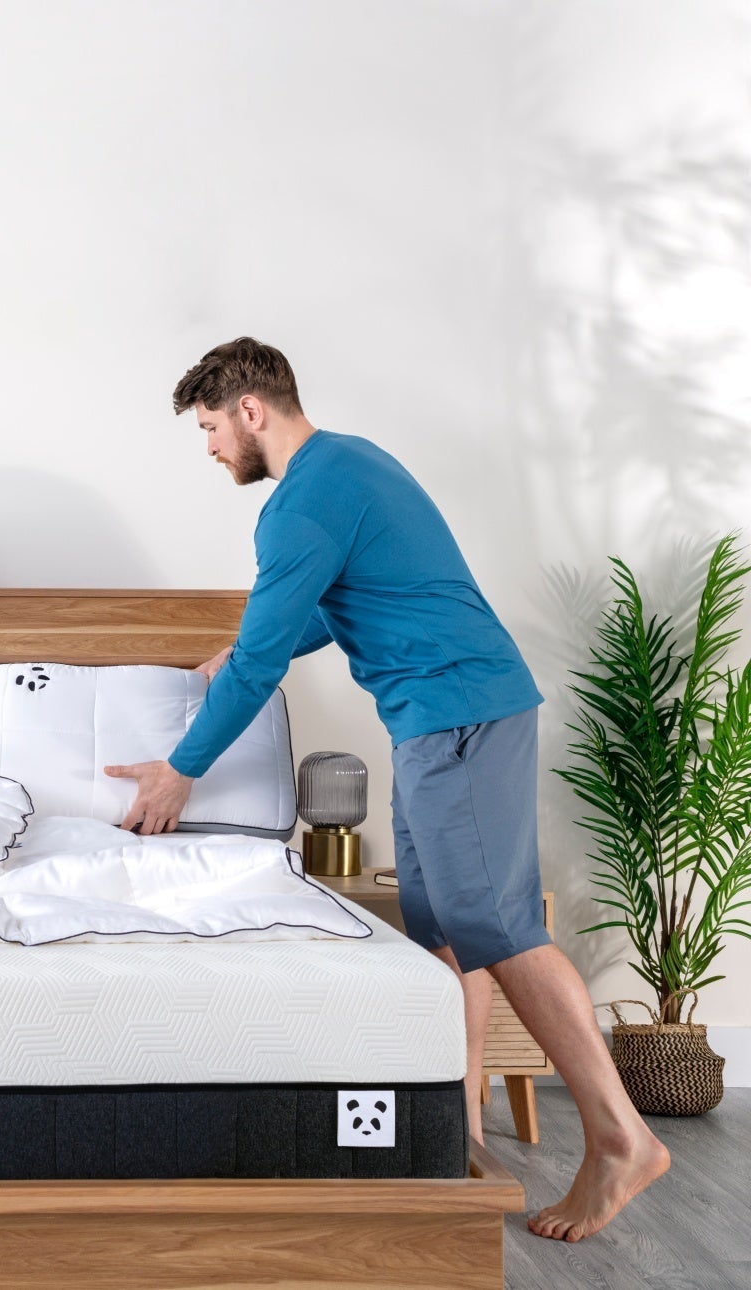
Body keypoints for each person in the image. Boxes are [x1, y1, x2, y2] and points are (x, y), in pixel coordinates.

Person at [105, 337, 669, 1243]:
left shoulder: (298, 503)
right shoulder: (350, 463)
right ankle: (463, 1119)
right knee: (444, 929)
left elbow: (257, 671)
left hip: (459, 715)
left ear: (251, 410)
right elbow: (343, 604)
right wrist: (255, 649)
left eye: (210, 428)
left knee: (501, 926)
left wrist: (181, 771)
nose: (210, 449)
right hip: (441, 717)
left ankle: (619, 1139)